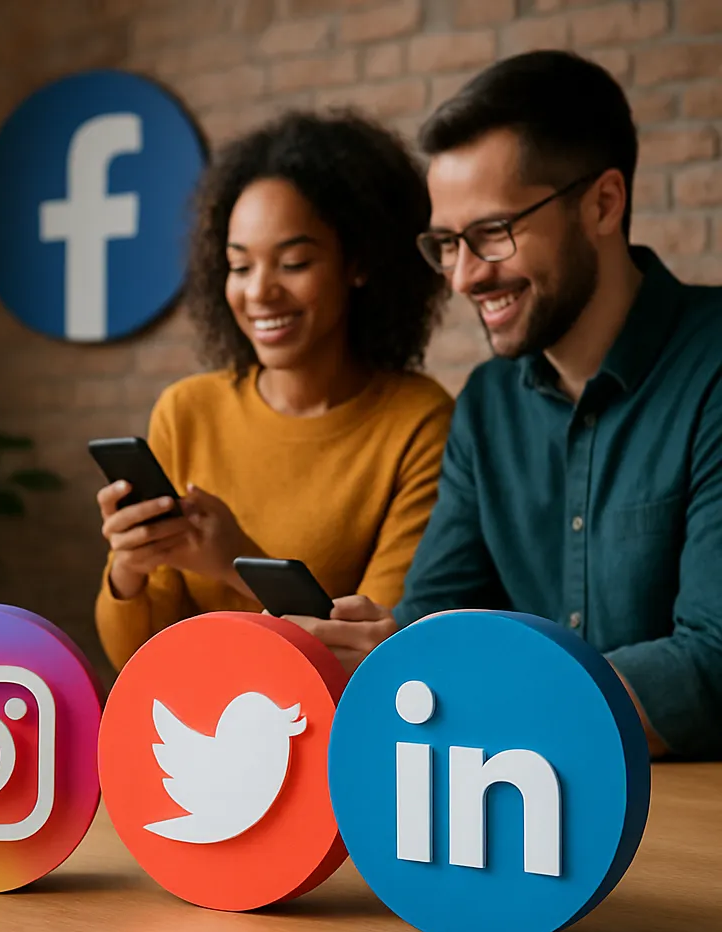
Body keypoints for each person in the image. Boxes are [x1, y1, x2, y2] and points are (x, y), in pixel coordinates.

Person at [292, 50, 722, 759]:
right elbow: (436, 622)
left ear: (603, 204)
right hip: (523, 814)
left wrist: (464, 689)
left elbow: (710, 666)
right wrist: (389, 650)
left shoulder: (710, 367)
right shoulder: (487, 405)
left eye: (492, 234)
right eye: (446, 244)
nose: (463, 278)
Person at [93, 110, 453, 670]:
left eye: (293, 262)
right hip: (197, 731)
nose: (260, 292)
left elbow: (376, 649)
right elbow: (134, 659)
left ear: (357, 263)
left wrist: (235, 562)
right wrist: (129, 569)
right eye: (239, 266)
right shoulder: (188, 411)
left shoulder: (417, 422)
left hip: (335, 739)